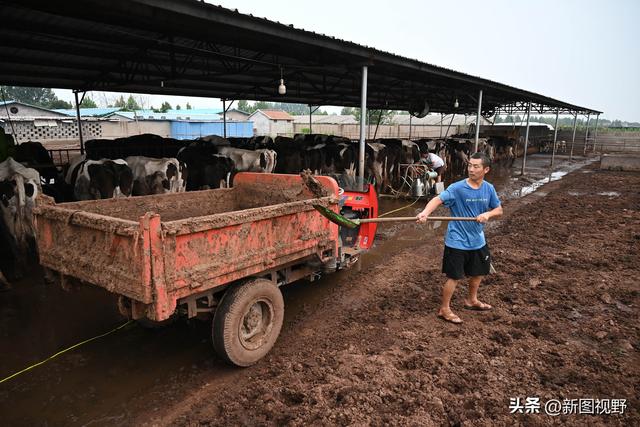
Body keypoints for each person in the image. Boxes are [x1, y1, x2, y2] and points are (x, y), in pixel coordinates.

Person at [416, 152, 503, 324]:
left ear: (486, 169)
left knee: (478, 272)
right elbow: (438, 199)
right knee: (454, 276)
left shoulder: (489, 188)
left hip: (478, 240)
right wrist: (425, 213)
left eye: (476, 166)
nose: (471, 169)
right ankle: (444, 308)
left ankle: (471, 300)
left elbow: (499, 210)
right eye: (470, 165)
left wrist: (488, 214)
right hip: (457, 240)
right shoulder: (457, 188)